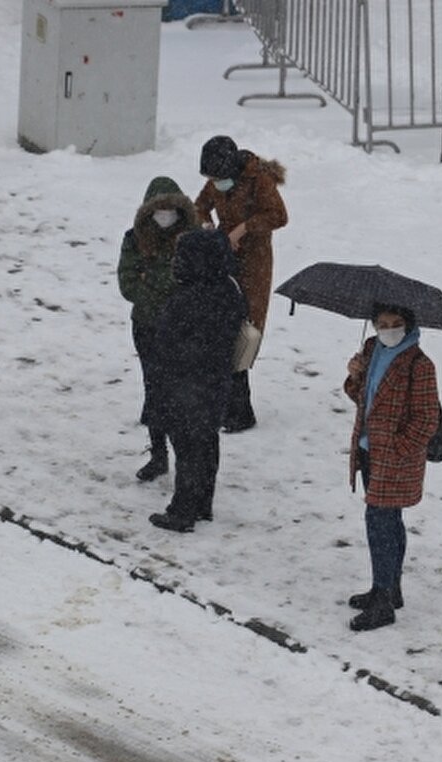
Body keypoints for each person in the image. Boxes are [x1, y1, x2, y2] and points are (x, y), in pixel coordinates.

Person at [342, 304, 441, 631]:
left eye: (396, 324)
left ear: (408, 326)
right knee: (389, 521)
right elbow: (360, 397)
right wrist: (354, 375)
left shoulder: (419, 365)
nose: (388, 330)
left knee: (379, 522)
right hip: (370, 451)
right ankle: (387, 588)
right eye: (382, 324)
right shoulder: (371, 350)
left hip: (395, 459)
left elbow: (426, 419)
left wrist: (398, 449)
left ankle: (383, 600)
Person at [146, 229, 246, 533]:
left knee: (188, 447)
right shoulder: (229, 289)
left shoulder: (190, 297)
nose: (177, 262)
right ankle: (202, 503)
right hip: (214, 383)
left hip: (185, 384)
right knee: (205, 443)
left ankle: (182, 510)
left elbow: (169, 340)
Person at [194, 134, 288, 433]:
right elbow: (199, 206)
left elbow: (279, 215)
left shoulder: (258, 180)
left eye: (218, 177)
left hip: (255, 262)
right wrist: (211, 228)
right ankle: (227, 403)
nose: (215, 182)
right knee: (221, 324)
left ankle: (240, 409)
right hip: (225, 258)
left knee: (246, 327)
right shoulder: (217, 181)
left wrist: (243, 230)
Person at [117, 176, 198, 482]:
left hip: (183, 329)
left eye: (170, 208)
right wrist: (168, 286)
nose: (165, 214)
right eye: (159, 209)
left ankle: (183, 457)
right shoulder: (134, 238)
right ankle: (158, 453)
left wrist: (150, 279)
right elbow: (128, 284)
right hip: (148, 327)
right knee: (154, 389)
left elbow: (196, 282)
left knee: (180, 394)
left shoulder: (192, 238)